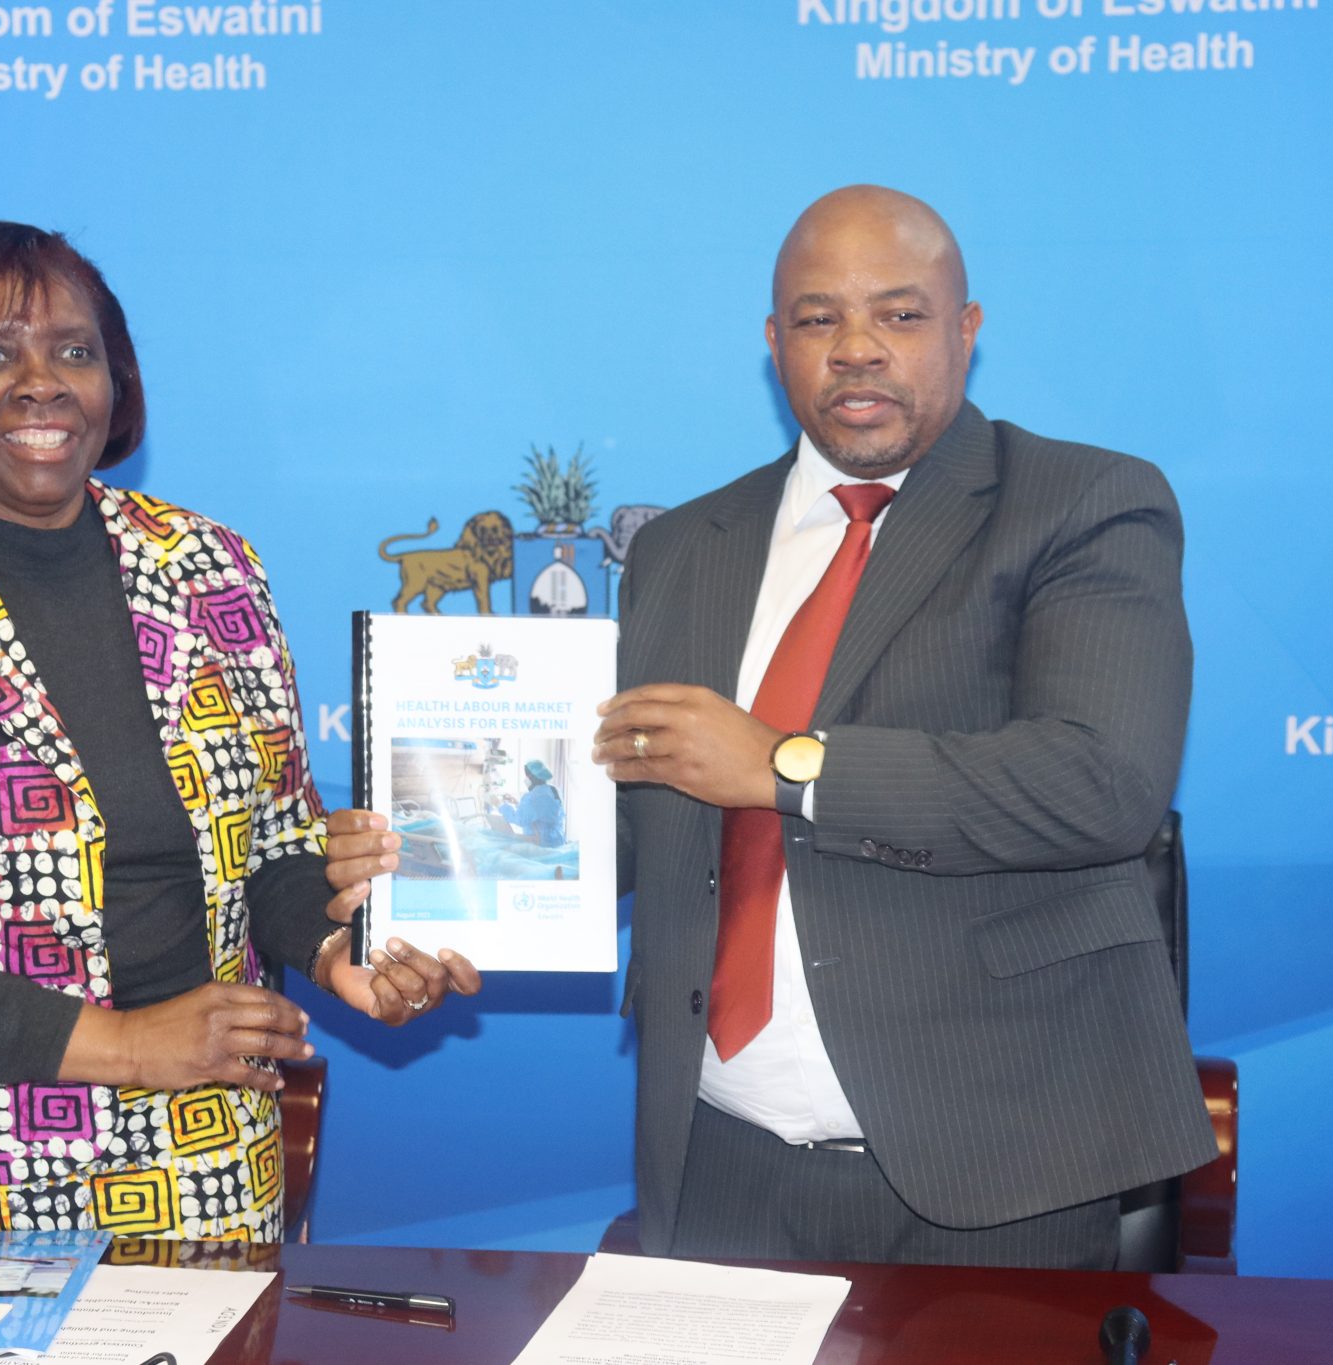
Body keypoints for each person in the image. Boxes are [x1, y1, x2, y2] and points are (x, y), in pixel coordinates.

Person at [332, 185, 1214, 1268]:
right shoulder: (683, 548)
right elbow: (635, 818)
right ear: (772, 342)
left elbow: (1100, 782)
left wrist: (785, 766)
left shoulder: (1081, 502)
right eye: (816, 317)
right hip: (720, 1161)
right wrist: (432, 869)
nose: (856, 348)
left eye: (898, 314)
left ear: (966, 329)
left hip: (994, 1164)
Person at [0, 221, 478, 1237]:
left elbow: (273, 845)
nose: (41, 384)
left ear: (113, 380)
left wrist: (337, 947)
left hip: (200, 1151)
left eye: (73, 352)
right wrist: (125, 1046)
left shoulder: (210, 565)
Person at [499, 759, 566, 846]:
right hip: (557, 842)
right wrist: (516, 803)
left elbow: (520, 819)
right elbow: (540, 814)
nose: (525, 779)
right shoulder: (553, 790)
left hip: (541, 845)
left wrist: (500, 805)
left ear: (532, 777)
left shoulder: (532, 797)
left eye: (526, 776)